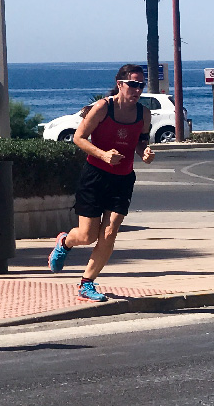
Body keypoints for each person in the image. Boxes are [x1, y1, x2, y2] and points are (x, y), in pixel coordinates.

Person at [47, 64, 155, 302]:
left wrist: (144, 152)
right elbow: (79, 138)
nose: (138, 90)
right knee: (87, 236)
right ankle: (65, 241)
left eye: (141, 85)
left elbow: (140, 141)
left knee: (110, 231)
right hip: (95, 176)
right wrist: (103, 155)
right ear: (120, 84)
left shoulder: (143, 114)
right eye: (133, 84)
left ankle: (87, 283)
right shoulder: (102, 108)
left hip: (123, 178)